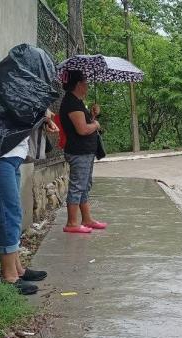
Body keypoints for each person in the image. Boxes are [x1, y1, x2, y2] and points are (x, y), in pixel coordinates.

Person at [0, 114, 59, 295]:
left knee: (13, 214)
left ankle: (17, 269)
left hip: (12, 157)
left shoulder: (13, 87)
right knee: (8, 215)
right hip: (0, 156)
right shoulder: (5, 87)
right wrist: (44, 115)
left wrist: (44, 118)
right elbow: (17, 110)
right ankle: (9, 277)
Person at [59, 70, 108, 234]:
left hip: (85, 152)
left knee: (84, 186)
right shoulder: (72, 103)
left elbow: (86, 125)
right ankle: (72, 223)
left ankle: (86, 219)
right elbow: (82, 129)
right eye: (86, 81)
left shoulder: (78, 102)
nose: (88, 85)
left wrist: (93, 116)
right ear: (79, 84)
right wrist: (96, 125)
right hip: (78, 152)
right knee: (77, 186)